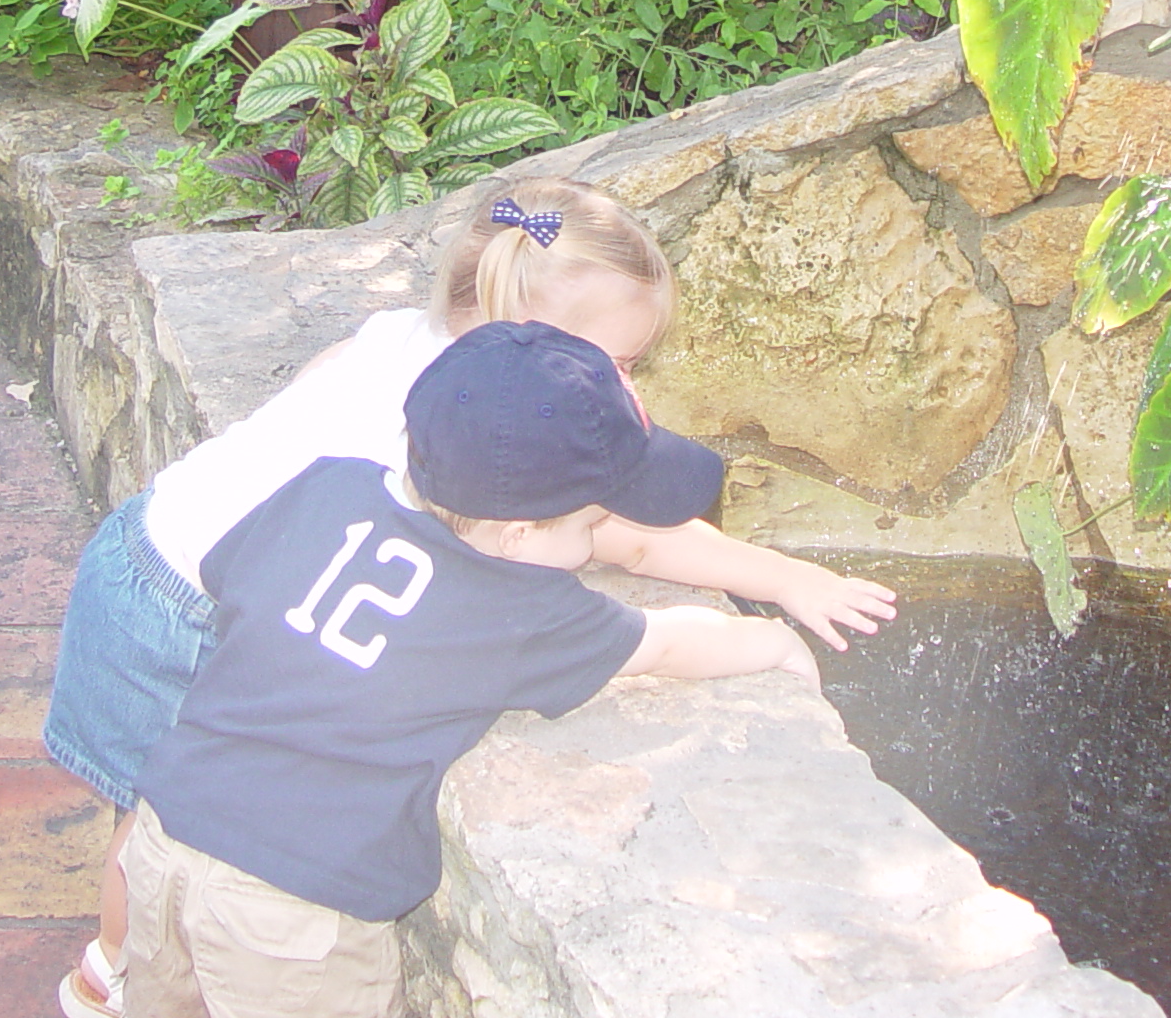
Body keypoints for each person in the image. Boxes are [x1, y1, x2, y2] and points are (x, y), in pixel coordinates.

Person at [45, 178, 895, 1018]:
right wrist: (785, 594)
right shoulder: (484, 478)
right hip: (171, 610)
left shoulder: (423, 376)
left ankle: (120, 980)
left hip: (163, 543)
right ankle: (104, 982)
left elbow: (312, 412)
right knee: (172, 830)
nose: (630, 387)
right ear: (526, 336)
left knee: (173, 819)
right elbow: (627, 548)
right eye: (619, 365)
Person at [121, 320, 819, 1018]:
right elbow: (666, 644)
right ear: (516, 536)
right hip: (293, 915)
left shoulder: (329, 485)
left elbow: (229, 574)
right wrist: (772, 646)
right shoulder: (521, 608)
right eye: (588, 528)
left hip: (162, 838)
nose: (593, 547)